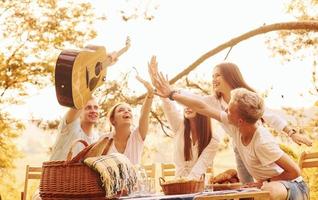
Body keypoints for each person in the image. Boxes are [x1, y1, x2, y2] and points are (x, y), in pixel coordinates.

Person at [148, 60, 312, 183]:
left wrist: (291, 132)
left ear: (230, 76)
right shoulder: (214, 101)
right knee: (246, 187)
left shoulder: (246, 98)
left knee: (267, 182)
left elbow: (270, 116)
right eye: (212, 76)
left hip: (257, 145)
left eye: (217, 75)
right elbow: (196, 101)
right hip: (239, 146)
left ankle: (289, 186)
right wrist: (170, 92)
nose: (213, 79)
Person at [102, 59, 155, 165]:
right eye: (121, 110)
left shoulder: (137, 136)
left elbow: (144, 114)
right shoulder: (104, 140)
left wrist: (150, 93)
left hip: (137, 182)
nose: (127, 112)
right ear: (113, 120)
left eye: (129, 110)